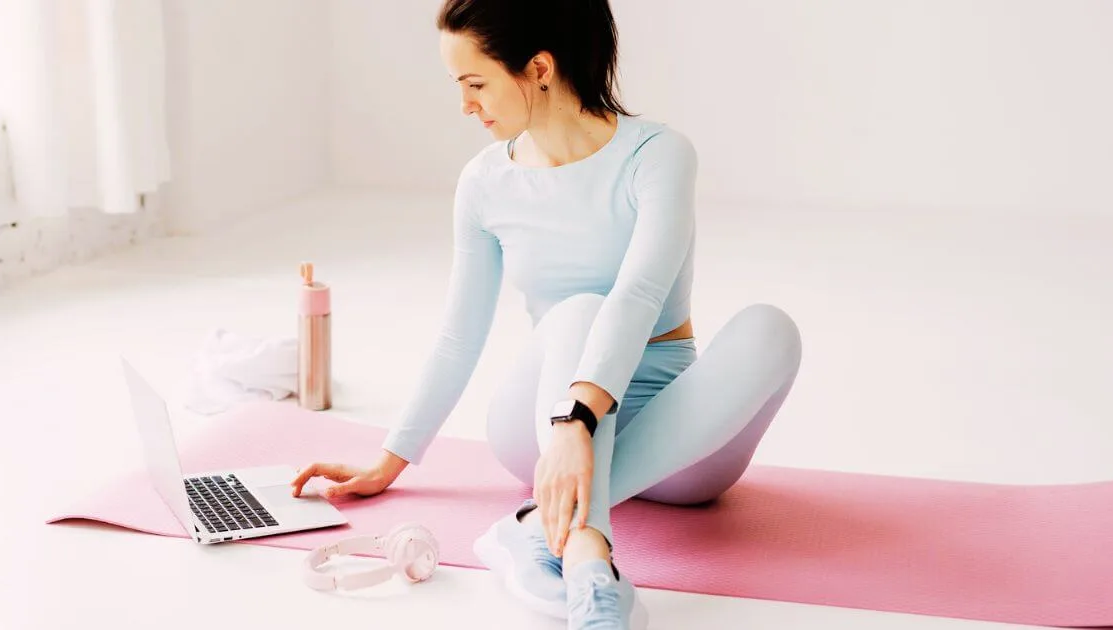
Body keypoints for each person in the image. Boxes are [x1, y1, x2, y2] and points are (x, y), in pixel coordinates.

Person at [291, 0, 802, 627]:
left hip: (674, 439)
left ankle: (539, 519)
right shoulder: (484, 183)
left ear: (538, 67)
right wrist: (389, 459)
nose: (465, 106)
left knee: (771, 330)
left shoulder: (658, 155)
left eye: (475, 83)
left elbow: (640, 294)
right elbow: (459, 336)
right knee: (577, 311)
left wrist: (580, 425)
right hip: (541, 424)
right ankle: (588, 550)